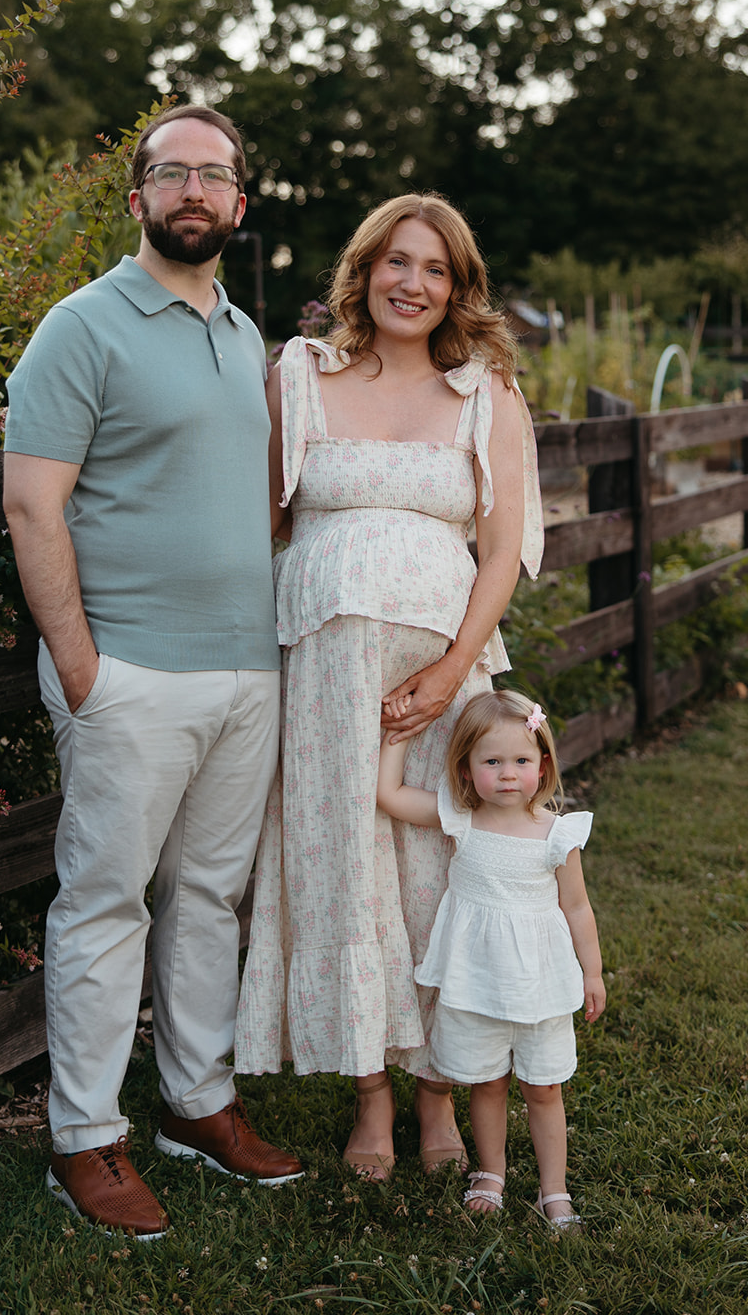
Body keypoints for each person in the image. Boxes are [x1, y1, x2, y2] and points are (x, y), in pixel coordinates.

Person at [3, 105, 302, 1241]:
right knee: (103, 900)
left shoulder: (240, 333)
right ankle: (83, 1138)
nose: (192, 190)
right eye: (169, 172)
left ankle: (196, 1103)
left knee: (208, 900)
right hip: (126, 671)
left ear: (238, 205)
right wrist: (83, 668)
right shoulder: (80, 327)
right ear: (135, 198)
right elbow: (32, 503)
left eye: (213, 175)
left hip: (244, 672)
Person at [235, 193, 544, 1181]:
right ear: (363, 270)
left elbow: (500, 549)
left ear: (457, 288)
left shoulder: (483, 391)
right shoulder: (303, 374)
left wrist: (451, 666)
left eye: (436, 268)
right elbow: (263, 522)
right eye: (396, 262)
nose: (413, 283)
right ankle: (369, 1092)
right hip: (324, 674)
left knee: (440, 866)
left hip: (442, 673)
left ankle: (437, 1091)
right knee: (339, 866)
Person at [376, 690, 605, 1228]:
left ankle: (554, 1189)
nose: (507, 774)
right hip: (476, 981)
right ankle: (492, 1172)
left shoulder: (557, 835)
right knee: (487, 1081)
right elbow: (388, 795)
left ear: (543, 764)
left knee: (544, 1087)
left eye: (522, 761)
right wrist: (397, 737)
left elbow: (577, 907)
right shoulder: (461, 818)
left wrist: (591, 972)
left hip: (539, 984)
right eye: (492, 762)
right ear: (466, 768)